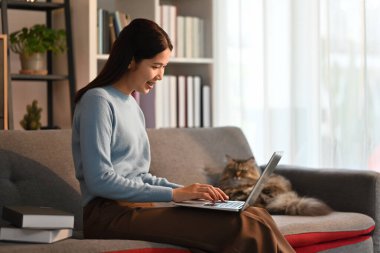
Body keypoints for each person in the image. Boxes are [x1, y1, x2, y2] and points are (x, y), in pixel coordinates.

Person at [72, 18, 295, 253]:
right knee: (239, 224)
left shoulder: (132, 106)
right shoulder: (97, 101)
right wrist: (174, 194)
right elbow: (100, 180)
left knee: (254, 213)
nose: (161, 75)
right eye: (156, 66)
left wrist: (191, 192)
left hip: (138, 207)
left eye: (164, 67)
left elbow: (140, 176)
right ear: (131, 61)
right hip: (107, 215)